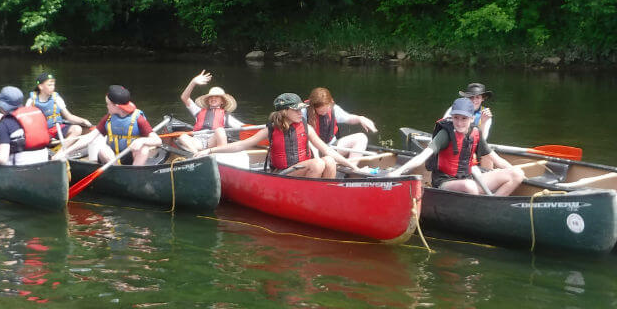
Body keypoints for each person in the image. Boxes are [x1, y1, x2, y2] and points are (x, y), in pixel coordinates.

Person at [196, 93, 359, 178]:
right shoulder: (271, 129)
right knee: (317, 164)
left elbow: (328, 150)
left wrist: (353, 167)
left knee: (329, 161)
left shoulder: (306, 127)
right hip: (282, 173)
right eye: (295, 109)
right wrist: (210, 151)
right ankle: (310, 196)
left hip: (303, 169)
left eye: (300, 109)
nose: (299, 112)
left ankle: (325, 195)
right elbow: (240, 145)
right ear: (284, 111)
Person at [389, 98, 525, 195]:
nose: (459, 123)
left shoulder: (475, 133)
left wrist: (523, 177)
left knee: (517, 173)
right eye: (456, 118)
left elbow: (497, 160)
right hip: (445, 182)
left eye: (464, 118)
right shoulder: (445, 134)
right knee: (469, 186)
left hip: (468, 178)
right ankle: (482, 205)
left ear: (472, 118)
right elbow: (422, 157)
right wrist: (398, 172)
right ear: (452, 117)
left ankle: (494, 205)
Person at [73, 85, 162, 165]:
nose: (106, 106)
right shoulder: (108, 118)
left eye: (108, 104)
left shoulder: (138, 119)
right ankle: (115, 170)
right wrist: (66, 151)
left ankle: (135, 174)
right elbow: (89, 137)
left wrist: (142, 141)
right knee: (100, 147)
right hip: (111, 159)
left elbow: (158, 141)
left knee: (144, 149)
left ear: (116, 106)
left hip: (130, 158)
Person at [0, 86, 53, 166]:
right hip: (43, 161)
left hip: (19, 167)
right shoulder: (36, 114)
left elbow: (2, 159)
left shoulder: (6, 123)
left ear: (2, 107)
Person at [176, 70, 245, 152]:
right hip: (198, 141)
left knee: (220, 131)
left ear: (222, 101)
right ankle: (196, 154)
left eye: (216, 96)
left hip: (213, 142)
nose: (213, 98)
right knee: (183, 136)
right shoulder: (198, 111)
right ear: (208, 100)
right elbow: (184, 97)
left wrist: (262, 130)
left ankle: (221, 155)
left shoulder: (226, 116)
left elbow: (243, 127)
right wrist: (193, 82)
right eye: (211, 97)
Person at [302, 87, 377, 159]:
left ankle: (352, 168)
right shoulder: (303, 112)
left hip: (331, 147)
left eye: (327, 109)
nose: (325, 112)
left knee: (361, 137)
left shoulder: (333, 108)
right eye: (321, 111)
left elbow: (349, 118)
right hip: (313, 150)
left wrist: (360, 118)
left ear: (331, 103)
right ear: (313, 107)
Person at [24, 72, 91, 151]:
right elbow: (26, 122)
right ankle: (54, 144)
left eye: (53, 85)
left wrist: (83, 121)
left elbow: (69, 117)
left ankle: (61, 150)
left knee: (77, 129)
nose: (52, 87)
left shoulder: (57, 99)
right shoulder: (31, 101)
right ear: (41, 86)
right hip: (41, 132)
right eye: (49, 85)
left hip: (57, 129)